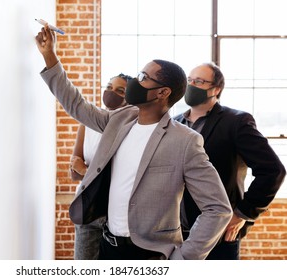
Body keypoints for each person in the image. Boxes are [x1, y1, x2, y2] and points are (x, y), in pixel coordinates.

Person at [35, 25, 232, 260]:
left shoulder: (185, 141)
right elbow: (76, 105)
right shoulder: (119, 120)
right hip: (108, 246)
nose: (135, 82)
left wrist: (184, 259)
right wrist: (50, 56)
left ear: (162, 93)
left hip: (150, 253)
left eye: (143, 78)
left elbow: (218, 209)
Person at [174, 62, 286, 260]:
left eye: (199, 81)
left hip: (217, 232)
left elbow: (273, 171)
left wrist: (243, 214)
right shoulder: (175, 123)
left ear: (216, 89)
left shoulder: (236, 121)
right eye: (189, 80)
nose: (191, 85)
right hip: (175, 232)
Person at [70, 73, 132, 260]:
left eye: (120, 90)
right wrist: (80, 171)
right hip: (88, 208)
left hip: (118, 213)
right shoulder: (87, 123)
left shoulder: (131, 127)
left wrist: (84, 170)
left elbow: (121, 175)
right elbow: (73, 172)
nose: (111, 92)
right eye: (109, 87)